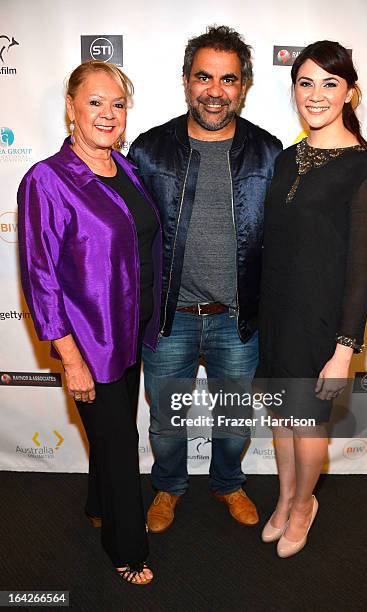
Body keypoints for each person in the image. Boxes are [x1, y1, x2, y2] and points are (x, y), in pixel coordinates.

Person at [128, 25, 282, 532]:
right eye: (204, 77)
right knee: (166, 425)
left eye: (228, 80)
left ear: (244, 85)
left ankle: (227, 483)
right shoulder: (149, 151)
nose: (215, 91)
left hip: (237, 322)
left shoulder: (268, 152)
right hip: (169, 321)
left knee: (235, 422)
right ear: (186, 81)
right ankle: (168, 489)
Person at [17, 60, 162, 584]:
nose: (108, 113)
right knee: (122, 449)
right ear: (72, 109)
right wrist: (70, 357)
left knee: (115, 434)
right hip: (91, 344)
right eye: (95, 102)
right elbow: (40, 276)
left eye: (118, 103)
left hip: (132, 332)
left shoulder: (125, 171)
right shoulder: (47, 180)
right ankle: (127, 548)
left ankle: (96, 505)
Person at [256, 40, 367, 557]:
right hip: (279, 313)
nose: (315, 94)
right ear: (294, 90)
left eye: (329, 83)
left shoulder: (365, 170)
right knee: (283, 420)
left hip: (322, 324)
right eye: (305, 82)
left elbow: (363, 270)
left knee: (307, 425)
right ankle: (287, 496)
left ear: (350, 92)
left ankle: (307, 504)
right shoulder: (289, 159)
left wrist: (343, 350)